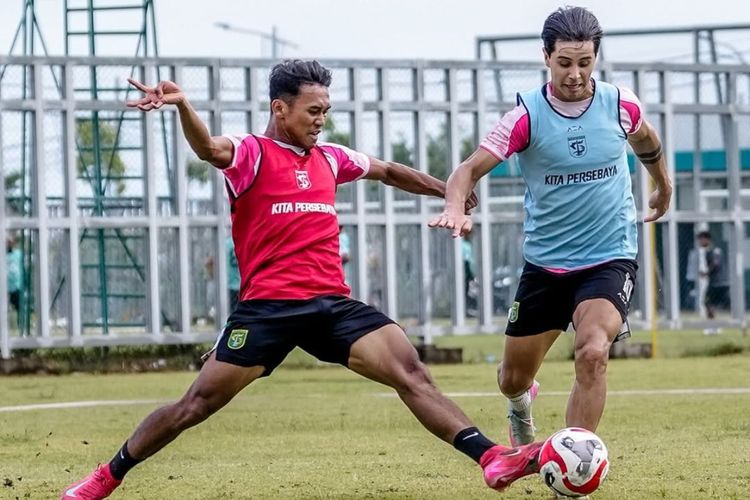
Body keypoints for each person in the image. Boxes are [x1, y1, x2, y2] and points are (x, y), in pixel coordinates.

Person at [61, 59, 526, 500]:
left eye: (326, 110)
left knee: (412, 373)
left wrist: (449, 190)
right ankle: (106, 476)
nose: (321, 120)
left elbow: (387, 171)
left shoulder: (331, 158)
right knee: (195, 405)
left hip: (331, 306)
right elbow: (208, 149)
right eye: (313, 110)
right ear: (279, 108)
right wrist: (183, 105)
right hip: (268, 310)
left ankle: (491, 457)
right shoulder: (250, 153)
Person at [430, 6, 672, 489]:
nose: (575, 74)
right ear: (546, 57)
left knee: (593, 352)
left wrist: (663, 185)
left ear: (596, 57)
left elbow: (647, 141)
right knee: (511, 379)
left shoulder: (620, 105)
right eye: (564, 63)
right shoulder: (525, 116)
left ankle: (573, 472)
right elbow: (467, 170)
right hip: (545, 266)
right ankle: (521, 405)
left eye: (584, 62)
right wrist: (455, 206)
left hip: (609, 256)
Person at [697, 230, 729, 331]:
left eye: (701, 240)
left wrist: (705, 273)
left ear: (707, 239)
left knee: (707, 303)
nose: (699, 242)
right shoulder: (710, 251)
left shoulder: (714, 250)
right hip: (720, 282)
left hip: (717, 282)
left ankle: (714, 326)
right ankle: (714, 326)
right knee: (711, 304)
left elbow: (716, 263)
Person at [6, 235, 22, 314]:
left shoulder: (18, 254)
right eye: (6, 242)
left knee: (19, 308)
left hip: (16, 287)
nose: (8, 244)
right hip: (5, 288)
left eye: (9, 242)